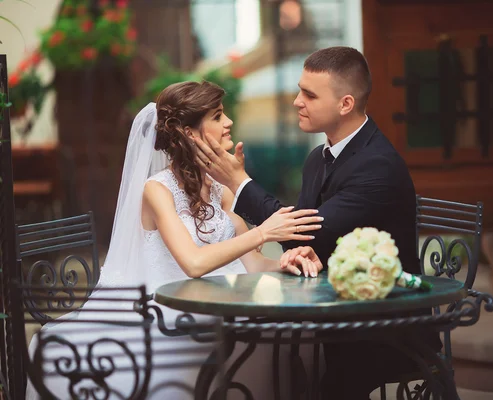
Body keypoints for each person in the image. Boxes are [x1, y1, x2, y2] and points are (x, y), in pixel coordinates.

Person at [26, 81, 323, 400]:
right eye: (218, 116)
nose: (229, 123)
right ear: (191, 133)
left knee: (289, 327)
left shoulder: (220, 189)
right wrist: (263, 232)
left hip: (219, 305)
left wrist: (285, 262)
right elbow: (193, 263)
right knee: (257, 335)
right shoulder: (157, 190)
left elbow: (250, 262)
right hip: (167, 314)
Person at [193, 46, 442, 399]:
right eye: (299, 90)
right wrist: (297, 253)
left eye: (309, 94)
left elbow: (305, 229)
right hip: (331, 315)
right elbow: (301, 239)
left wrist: (238, 182)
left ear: (346, 104)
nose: (297, 101)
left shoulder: (377, 166)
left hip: (384, 329)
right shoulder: (317, 158)